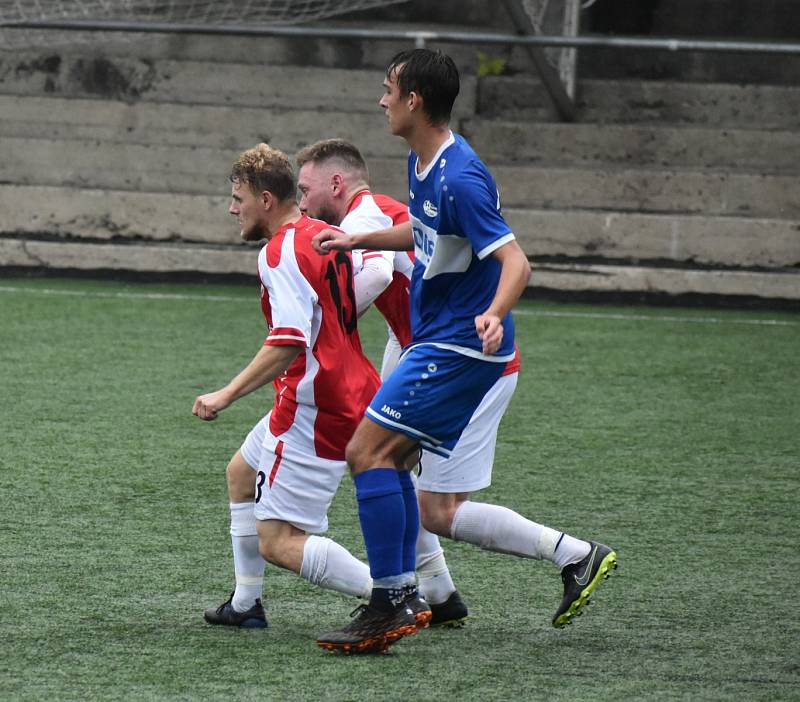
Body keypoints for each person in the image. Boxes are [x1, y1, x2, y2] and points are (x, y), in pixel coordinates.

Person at [312, 49, 617, 654]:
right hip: (440, 339)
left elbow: (516, 262)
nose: (382, 100)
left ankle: (394, 598)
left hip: (459, 346)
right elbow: (429, 233)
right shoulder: (424, 162)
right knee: (391, 462)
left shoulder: (460, 175)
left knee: (368, 453)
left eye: (388, 90)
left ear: (415, 100)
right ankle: (403, 595)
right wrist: (360, 238)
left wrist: (494, 313)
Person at [192, 143, 423, 638]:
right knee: (241, 470)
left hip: (314, 402)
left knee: (276, 541)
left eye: (239, 198)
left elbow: (289, 341)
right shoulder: (324, 232)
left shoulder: (278, 251)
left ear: (267, 199)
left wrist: (225, 394)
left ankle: (390, 595)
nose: (233, 208)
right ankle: (246, 601)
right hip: (353, 384)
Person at [295, 137, 467, 626]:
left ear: (336, 183)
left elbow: (373, 276)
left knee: (403, 478)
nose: (302, 200)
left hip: (435, 351)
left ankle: (567, 552)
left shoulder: (362, 217)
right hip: (412, 342)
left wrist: (332, 331)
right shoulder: (373, 211)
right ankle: (436, 590)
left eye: (306, 189)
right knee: (393, 464)